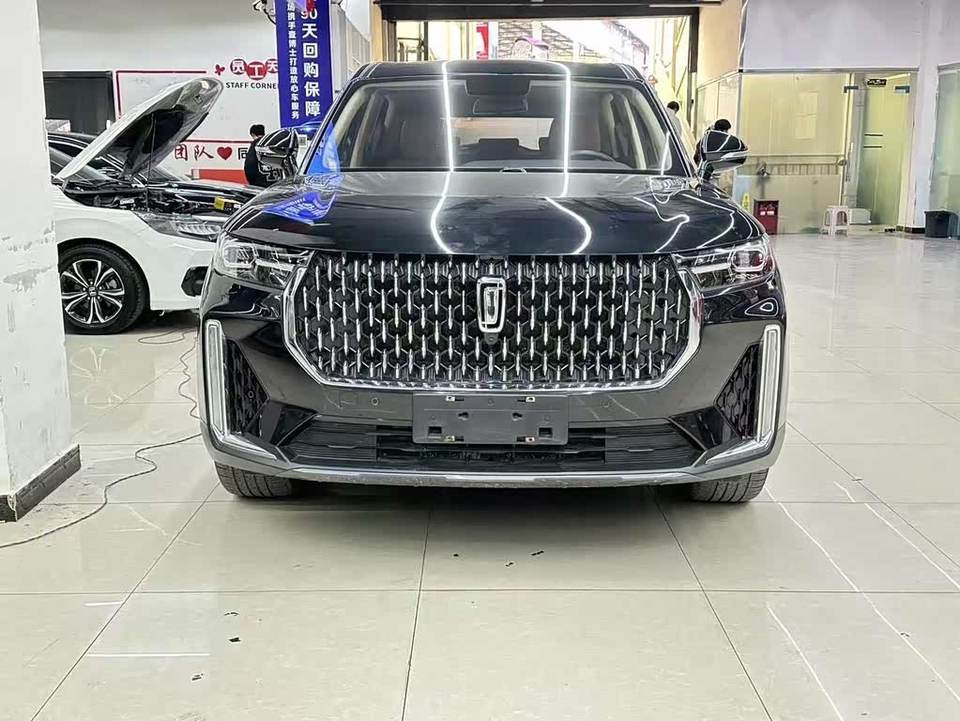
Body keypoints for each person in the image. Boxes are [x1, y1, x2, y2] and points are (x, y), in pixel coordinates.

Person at [244, 123, 270, 187]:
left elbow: (250, 165)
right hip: (276, 184)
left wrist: (252, 183)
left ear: (253, 134)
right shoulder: (271, 143)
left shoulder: (255, 146)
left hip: (260, 185)